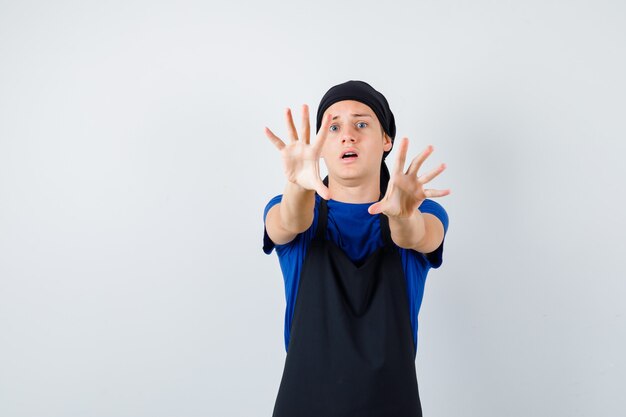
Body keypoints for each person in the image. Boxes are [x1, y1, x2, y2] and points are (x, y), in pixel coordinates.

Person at [262, 80, 450, 417]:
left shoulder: (422, 213)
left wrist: (405, 215)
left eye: (361, 124)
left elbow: (417, 236)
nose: (347, 135)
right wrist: (296, 185)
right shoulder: (292, 210)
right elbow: (288, 222)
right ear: (319, 146)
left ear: (386, 140)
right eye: (333, 127)